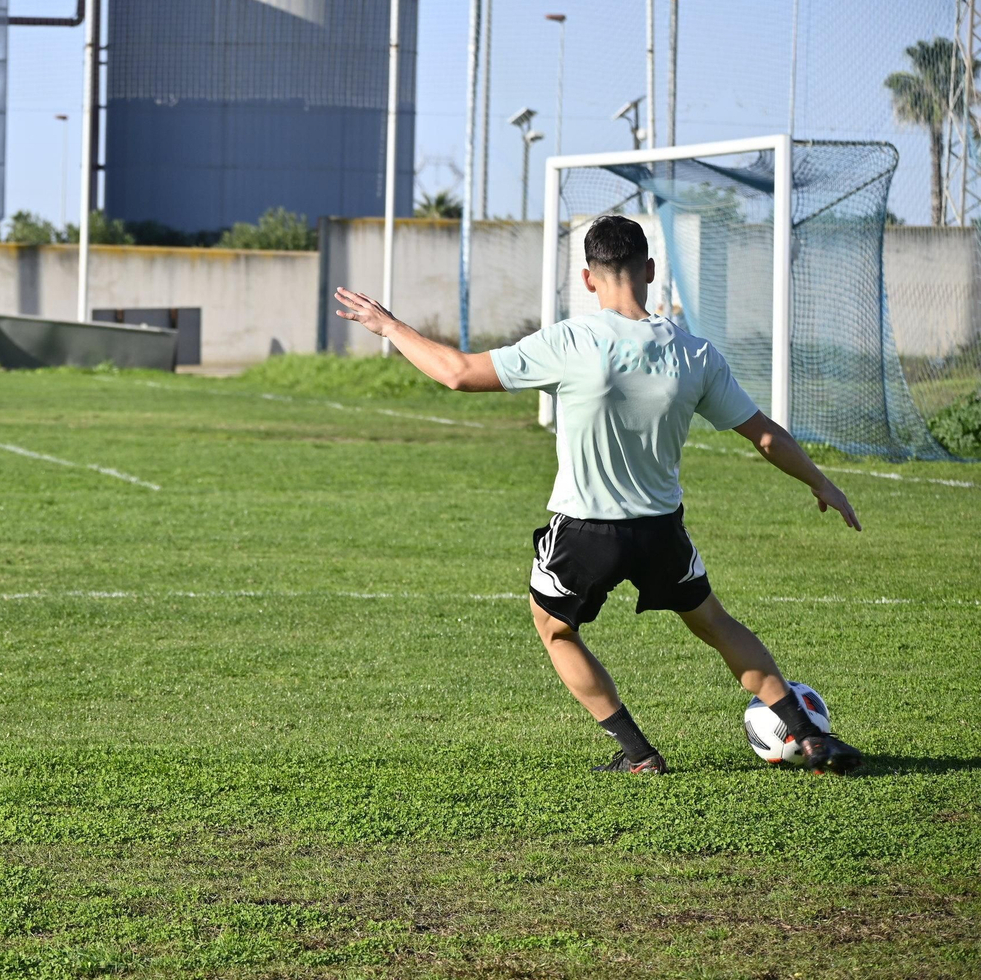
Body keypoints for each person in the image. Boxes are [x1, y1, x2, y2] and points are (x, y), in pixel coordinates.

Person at [334, 215, 864, 775]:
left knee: (555, 628)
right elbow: (763, 434)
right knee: (716, 624)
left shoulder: (570, 341)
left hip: (584, 532)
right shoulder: (696, 355)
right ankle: (809, 737)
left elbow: (459, 373)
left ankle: (638, 754)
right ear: (651, 271)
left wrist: (391, 327)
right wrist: (819, 481)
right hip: (662, 531)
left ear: (589, 278)